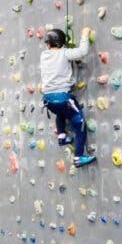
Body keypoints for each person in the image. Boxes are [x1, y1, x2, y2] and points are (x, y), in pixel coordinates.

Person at [40, 26, 96, 168]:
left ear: (48, 44)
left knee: (60, 113)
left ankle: (62, 137)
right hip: (64, 98)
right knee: (79, 123)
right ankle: (78, 157)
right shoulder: (65, 53)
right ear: (61, 43)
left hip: (48, 100)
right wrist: (84, 34)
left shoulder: (43, 56)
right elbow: (82, 52)